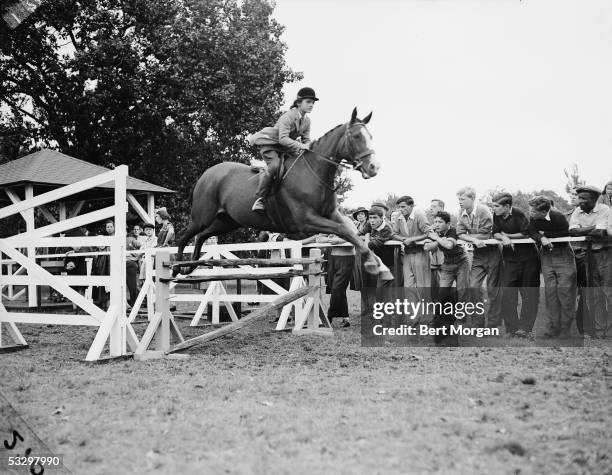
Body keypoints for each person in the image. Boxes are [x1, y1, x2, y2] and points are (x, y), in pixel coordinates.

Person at [248, 87, 318, 212]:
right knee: (275, 166)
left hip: (286, 149)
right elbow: (283, 139)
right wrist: (301, 146)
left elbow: (306, 139)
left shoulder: (307, 121)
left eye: (313, 102)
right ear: (298, 102)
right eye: (308, 102)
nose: (311, 105)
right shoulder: (288, 116)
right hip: (271, 145)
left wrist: (311, 147)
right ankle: (260, 199)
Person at [492, 192, 540, 338]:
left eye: (497, 206)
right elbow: (495, 233)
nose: (494, 209)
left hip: (528, 259)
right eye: (493, 206)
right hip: (511, 260)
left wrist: (508, 236)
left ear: (507, 206)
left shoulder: (518, 214)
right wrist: (502, 236)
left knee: (529, 294)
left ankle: (525, 329)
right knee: (507, 293)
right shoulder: (496, 215)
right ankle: (511, 329)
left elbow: (526, 233)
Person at [527, 196, 577, 339]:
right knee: (550, 294)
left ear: (543, 211)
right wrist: (541, 238)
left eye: (533, 211)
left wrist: (545, 234)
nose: (530, 213)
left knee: (565, 293)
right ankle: (553, 328)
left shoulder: (558, 216)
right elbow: (531, 230)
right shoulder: (534, 217)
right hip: (547, 256)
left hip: (563, 255)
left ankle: (566, 330)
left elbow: (565, 233)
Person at [456, 187, 502, 329]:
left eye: (462, 199)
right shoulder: (461, 212)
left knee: (492, 289)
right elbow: (459, 233)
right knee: (473, 287)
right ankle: (478, 324)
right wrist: (474, 240)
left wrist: (470, 238)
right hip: (478, 255)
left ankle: (493, 324)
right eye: (459, 199)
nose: (460, 202)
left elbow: (487, 234)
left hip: (493, 253)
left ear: (472, 198)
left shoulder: (483, 210)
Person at [569, 185, 611, 338]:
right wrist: (592, 228)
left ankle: (610, 331)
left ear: (594, 199)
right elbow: (572, 231)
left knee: (609, 293)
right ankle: (599, 332)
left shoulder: (604, 209)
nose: (579, 201)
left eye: (583, 198)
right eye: (579, 198)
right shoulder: (577, 211)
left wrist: (585, 229)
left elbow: (600, 233)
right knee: (594, 295)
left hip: (605, 254)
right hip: (587, 255)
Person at [424, 211, 470, 345]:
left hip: (462, 262)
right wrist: (438, 240)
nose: (436, 224)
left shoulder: (452, 231)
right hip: (448, 264)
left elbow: (449, 245)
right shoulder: (435, 232)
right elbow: (427, 247)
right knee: (442, 294)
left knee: (462, 292)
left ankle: (462, 322)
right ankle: (442, 326)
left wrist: (436, 239)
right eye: (435, 222)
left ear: (448, 224)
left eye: (440, 222)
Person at [316, 215, 357, 328]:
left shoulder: (346, 220)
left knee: (337, 288)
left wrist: (337, 239)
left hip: (346, 257)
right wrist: (331, 239)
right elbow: (319, 238)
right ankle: (345, 317)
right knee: (337, 289)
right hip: (332, 257)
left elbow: (354, 235)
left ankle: (329, 317)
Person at [390, 196, 431, 294]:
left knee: (423, 286)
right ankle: (412, 309)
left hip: (420, 253)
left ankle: (426, 309)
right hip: (407, 254)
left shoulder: (419, 215)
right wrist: (403, 239)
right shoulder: (399, 217)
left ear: (411, 206)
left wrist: (412, 239)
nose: (401, 209)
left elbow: (428, 232)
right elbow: (394, 233)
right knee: (408, 286)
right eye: (399, 207)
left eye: (403, 207)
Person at [125, 233, 141, 309]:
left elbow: (138, 254)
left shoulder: (131, 240)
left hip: (129, 263)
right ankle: (132, 303)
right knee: (132, 285)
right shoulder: (131, 240)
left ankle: (132, 303)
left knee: (132, 285)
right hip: (129, 263)